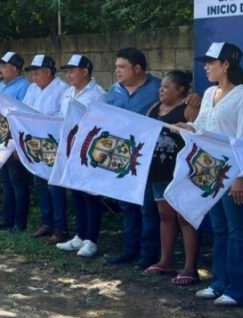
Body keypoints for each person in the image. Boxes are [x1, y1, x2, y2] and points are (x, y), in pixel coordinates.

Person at [184, 41, 243, 306]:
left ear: (227, 64)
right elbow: (203, 129)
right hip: (211, 173)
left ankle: (240, 289)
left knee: (237, 230)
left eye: (211, 62)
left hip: (233, 176)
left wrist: (240, 177)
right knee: (219, 229)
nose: (206, 67)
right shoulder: (209, 94)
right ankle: (219, 283)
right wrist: (187, 127)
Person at [104, 47, 163, 267]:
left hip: (147, 159)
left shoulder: (158, 88)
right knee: (127, 205)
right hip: (120, 157)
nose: (117, 71)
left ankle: (149, 254)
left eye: (122, 67)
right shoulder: (113, 91)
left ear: (137, 68)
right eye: (116, 66)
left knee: (148, 207)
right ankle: (129, 249)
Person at [143, 70, 199, 283]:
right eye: (161, 86)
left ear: (181, 90)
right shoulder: (153, 109)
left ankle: (190, 268)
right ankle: (165, 261)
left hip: (181, 173)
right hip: (158, 172)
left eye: (166, 87)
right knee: (165, 216)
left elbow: (198, 135)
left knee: (185, 218)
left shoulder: (189, 109)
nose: (161, 90)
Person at [55, 54, 107, 258]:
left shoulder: (97, 94)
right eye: (66, 71)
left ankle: (92, 240)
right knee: (76, 194)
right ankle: (80, 235)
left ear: (85, 71)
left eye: (72, 70)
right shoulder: (68, 92)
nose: (68, 75)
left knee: (91, 196)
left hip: (88, 151)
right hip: (69, 150)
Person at [24, 55, 70, 241]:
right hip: (36, 145)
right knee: (40, 184)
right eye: (33, 74)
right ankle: (47, 222)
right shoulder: (33, 89)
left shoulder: (62, 90)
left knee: (54, 188)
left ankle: (61, 228)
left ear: (49, 72)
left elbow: (64, 117)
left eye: (37, 73)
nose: (34, 77)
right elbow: (24, 110)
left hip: (54, 146)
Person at [0, 52, 32, 232]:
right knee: (5, 181)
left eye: (3, 66)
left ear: (14, 68)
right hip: (1, 141)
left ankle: (19, 222)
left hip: (14, 142)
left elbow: (23, 118)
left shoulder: (25, 88)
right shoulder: (0, 86)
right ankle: (7, 218)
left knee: (18, 182)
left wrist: (17, 145)